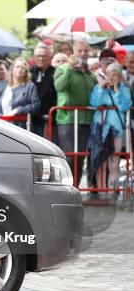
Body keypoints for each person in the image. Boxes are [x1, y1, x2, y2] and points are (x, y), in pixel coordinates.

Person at [54, 39, 96, 187]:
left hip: (86, 119)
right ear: (74, 52)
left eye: (86, 51)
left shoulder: (91, 74)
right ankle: (66, 189)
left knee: (81, 157)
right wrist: (71, 68)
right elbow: (59, 86)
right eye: (80, 51)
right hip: (68, 119)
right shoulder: (63, 69)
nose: (83, 54)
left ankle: (75, 188)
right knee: (70, 156)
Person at [89, 63, 132, 190]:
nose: (113, 78)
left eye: (116, 75)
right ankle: (101, 191)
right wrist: (101, 87)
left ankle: (112, 191)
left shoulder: (124, 89)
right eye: (110, 75)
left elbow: (125, 106)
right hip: (100, 128)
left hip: (116, 129)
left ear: (120, 76)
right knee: (100, 161)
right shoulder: (99, 88)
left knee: (114, 162)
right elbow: (94, 103)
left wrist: (116, 91)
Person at [0, 57, 40, 129]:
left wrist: (18, 110)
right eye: (17, 67)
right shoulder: (0, 85)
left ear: (26, 71)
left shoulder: (30, 87)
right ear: (12, 69)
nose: (20, 69)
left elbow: (35, 105)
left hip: (20, 127)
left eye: (23, 68)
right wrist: (0, 116)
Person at [30, 44, 56, 138]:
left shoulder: (55, 72)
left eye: (44, 56)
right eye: (38, 56)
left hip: (51, 117)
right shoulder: (29, 73)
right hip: (33, 118)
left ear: (49, 57)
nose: (41, 59)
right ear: (34, 57)